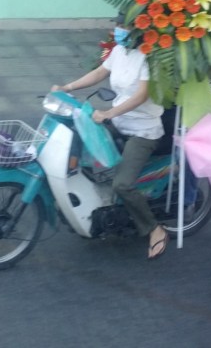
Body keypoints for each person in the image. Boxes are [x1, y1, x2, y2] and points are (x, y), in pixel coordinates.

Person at [52, 14, 169, 260]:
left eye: (124, 27)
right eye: (117, 26)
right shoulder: (118, 51)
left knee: (122, 184)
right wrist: (67, 88)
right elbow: (99, 73)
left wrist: (109, 113)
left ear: (138, 30)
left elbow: (141, 96)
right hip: (118, 123)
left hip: (143, 131)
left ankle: (154, 228)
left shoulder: (149, 57)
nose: (118, 30)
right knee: (79, 144)